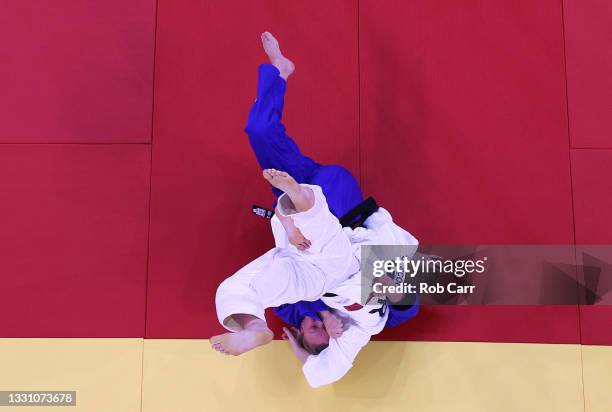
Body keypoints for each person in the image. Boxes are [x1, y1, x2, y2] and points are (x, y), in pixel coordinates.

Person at [244, 32, 419, 353]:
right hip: (342, 206)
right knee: (325, 209)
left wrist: (319, 312)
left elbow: (279, 299)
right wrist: (392, 291)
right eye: (323, 333)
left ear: (299, 332)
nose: (318, 328)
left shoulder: (297, 308)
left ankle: (280, 70)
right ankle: (298, 202)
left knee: (260, 132)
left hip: (298, 204)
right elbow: (409, 307)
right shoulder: (364, 322)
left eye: (310, 331)